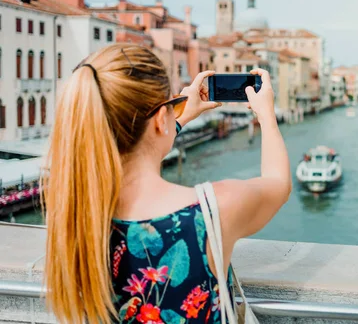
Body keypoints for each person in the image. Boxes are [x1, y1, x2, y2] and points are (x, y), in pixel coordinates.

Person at [43, 44, 292, 324]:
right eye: (171, 108)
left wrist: (178, 116)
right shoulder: (210, 213)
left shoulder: (74, 209)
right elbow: (278, 183)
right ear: (162, 119)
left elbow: (140, 151)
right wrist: (267, 116)